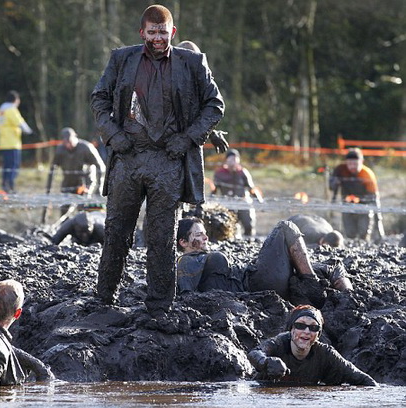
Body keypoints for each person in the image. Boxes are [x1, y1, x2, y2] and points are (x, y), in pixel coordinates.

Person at [90, 4, 226, 317]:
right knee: (115, 232)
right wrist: (113, 135)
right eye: (152, 32)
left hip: (169, 160)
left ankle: (160, 306)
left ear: (172, 33)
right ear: (142, 33)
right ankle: (104, 298)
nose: (157, 38)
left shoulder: (192, 62)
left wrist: (189, 137)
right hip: (128, 157)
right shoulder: (122, 58)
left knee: (163, 238)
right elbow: (99, 98)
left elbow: (214, 105)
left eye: (163, 32)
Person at [176, 217, 353, 308]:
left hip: (257, 277)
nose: (206, 237)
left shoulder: (203, 257)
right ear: (183, 242)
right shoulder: (186, 261)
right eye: (198, 234)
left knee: (333, 265)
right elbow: (187, 294)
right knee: (286, 227)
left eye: (204, 232)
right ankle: (311, 282)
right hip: (255, 283)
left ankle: (350, 299)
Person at [247, 305, 377, 386]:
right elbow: (254, 353)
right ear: (291, 329)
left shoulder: (326, 353)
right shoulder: (279, 343)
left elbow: (365, 381)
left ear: (318, 335)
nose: (306, 332)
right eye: (300, 325)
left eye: (313, 327)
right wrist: (266, 362)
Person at [46, 127, 105, 213]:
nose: (68, 144)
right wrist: (48, 191)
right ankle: (65, 224)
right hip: (68, 183)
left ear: (75, 137)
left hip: (85, 183)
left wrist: (99, 187)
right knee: (64, 209)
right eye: (65, 142)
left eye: (70, 141)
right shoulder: (60, 150)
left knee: (83, 208)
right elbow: (52, 170)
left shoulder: (86, 148)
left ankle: (87, 222)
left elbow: (101, 166)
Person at [329, 148, 383, 241]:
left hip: (364, 206)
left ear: (361, 161)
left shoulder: (367, 174)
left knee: (364, 232)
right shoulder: (340, 170)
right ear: (346, 162)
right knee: (350, 233)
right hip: (347, 204)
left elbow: (374, 197)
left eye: (355, 164)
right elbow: (331, 186)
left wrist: (378, 224)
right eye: (349, 164)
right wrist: (335, 182)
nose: (352, 166)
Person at [213, 149, 262, 237]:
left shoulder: (243, 172)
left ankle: (249, 241)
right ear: (226, 160)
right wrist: (211, 200)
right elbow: (214, 190)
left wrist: (259, 199)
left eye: (235, 159)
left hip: (243, 202)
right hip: (227, 204)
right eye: (231, 159)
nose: (233, 161)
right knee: (229, 227)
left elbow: (251, 188)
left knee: (248, 225)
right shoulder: (219, 174)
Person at [0, 90, 34, 194]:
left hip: (3, 142)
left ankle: (5, 185)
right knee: (14, 166)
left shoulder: (0, 110)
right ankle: (10, 187)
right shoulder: (11, 110)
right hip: (13, 143)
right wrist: (30, 132)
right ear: (16, 100)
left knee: (6, 166)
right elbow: (20, 123)